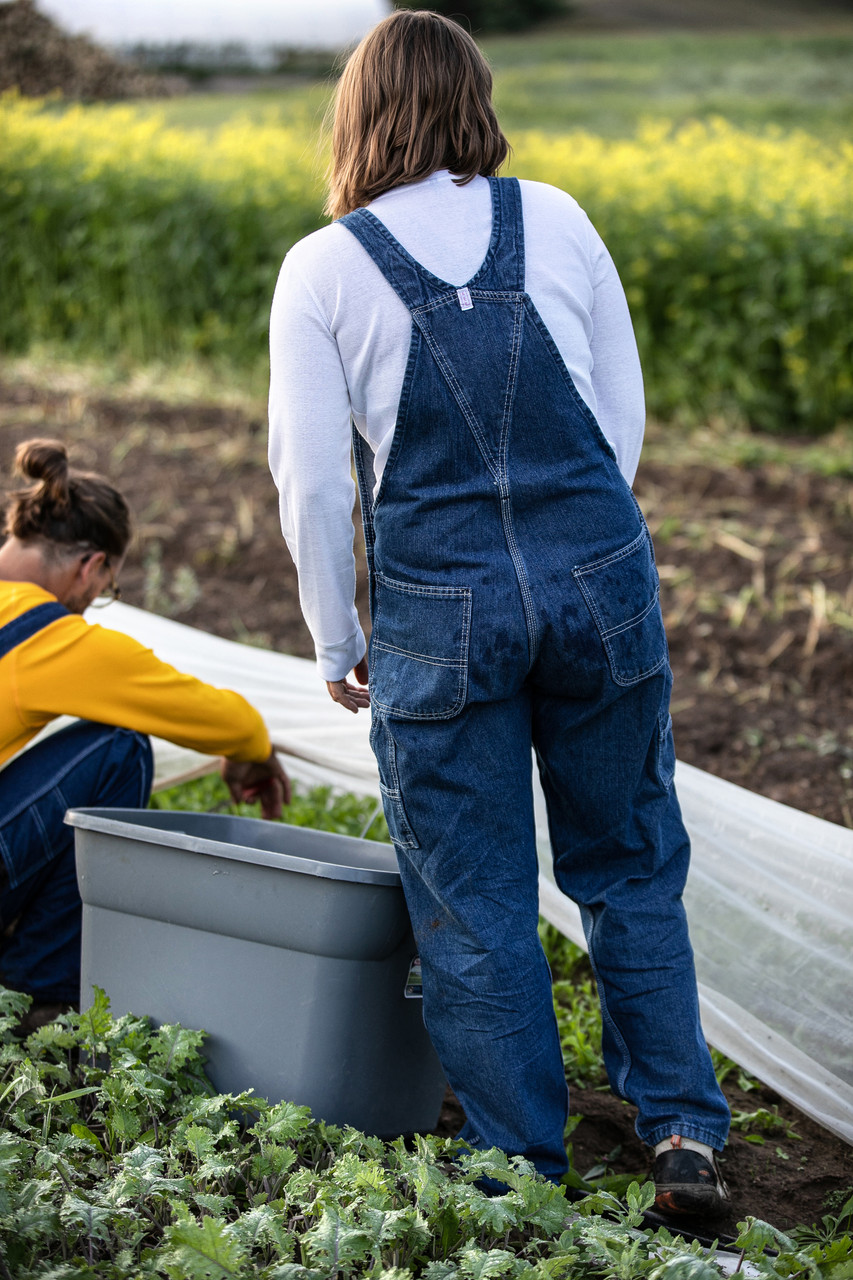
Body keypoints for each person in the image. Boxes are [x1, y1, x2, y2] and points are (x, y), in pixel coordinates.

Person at [268, 10, 730, 1218]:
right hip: (599, 580)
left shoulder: (324, 266)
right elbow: (616, 415)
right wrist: (577, 556)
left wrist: (335, 636)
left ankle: (521, 1168)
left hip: (439, 614)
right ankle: (683, 1132)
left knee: (472, 891)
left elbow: (312, 481)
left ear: (359, 114)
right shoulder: (559, 219)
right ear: (475, 100)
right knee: (629, 860)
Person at [0, 438, 290, 1026]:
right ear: (93, 567)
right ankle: (38, 1002)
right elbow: (229, 720)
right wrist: (251, 752)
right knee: (117, 750)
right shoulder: (49, 638)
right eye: (106, 592)